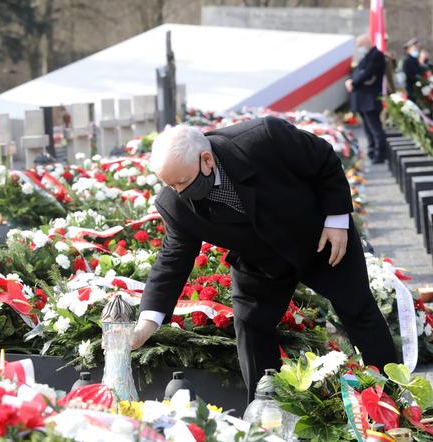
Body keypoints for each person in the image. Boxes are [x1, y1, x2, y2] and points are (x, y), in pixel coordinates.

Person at [129, 119, 397, 403]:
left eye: (182, 182)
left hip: (318, 236)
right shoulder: (174, 202)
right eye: (169, 185)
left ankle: (390, 396)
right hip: (259, 259)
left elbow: (323, 159)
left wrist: (336, 219)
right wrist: (147, 323)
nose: (178, 192)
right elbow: (173, 258)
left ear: (206, 160)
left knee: (357, 308)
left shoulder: (263, 139)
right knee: (251, 325)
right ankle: (265, 408)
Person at [346, 34, 387, 164]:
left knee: (375, 128)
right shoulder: (367, 57)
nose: (359, 48)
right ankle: (372, 152)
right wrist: (351, 80)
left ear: (366, 43)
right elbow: (357, 72)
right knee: (368, 129)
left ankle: (380, 154)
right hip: (363, 100)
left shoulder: (376, 55)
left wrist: (353, 82)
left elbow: (366, 73)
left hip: (370, 99)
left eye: (360, 45)